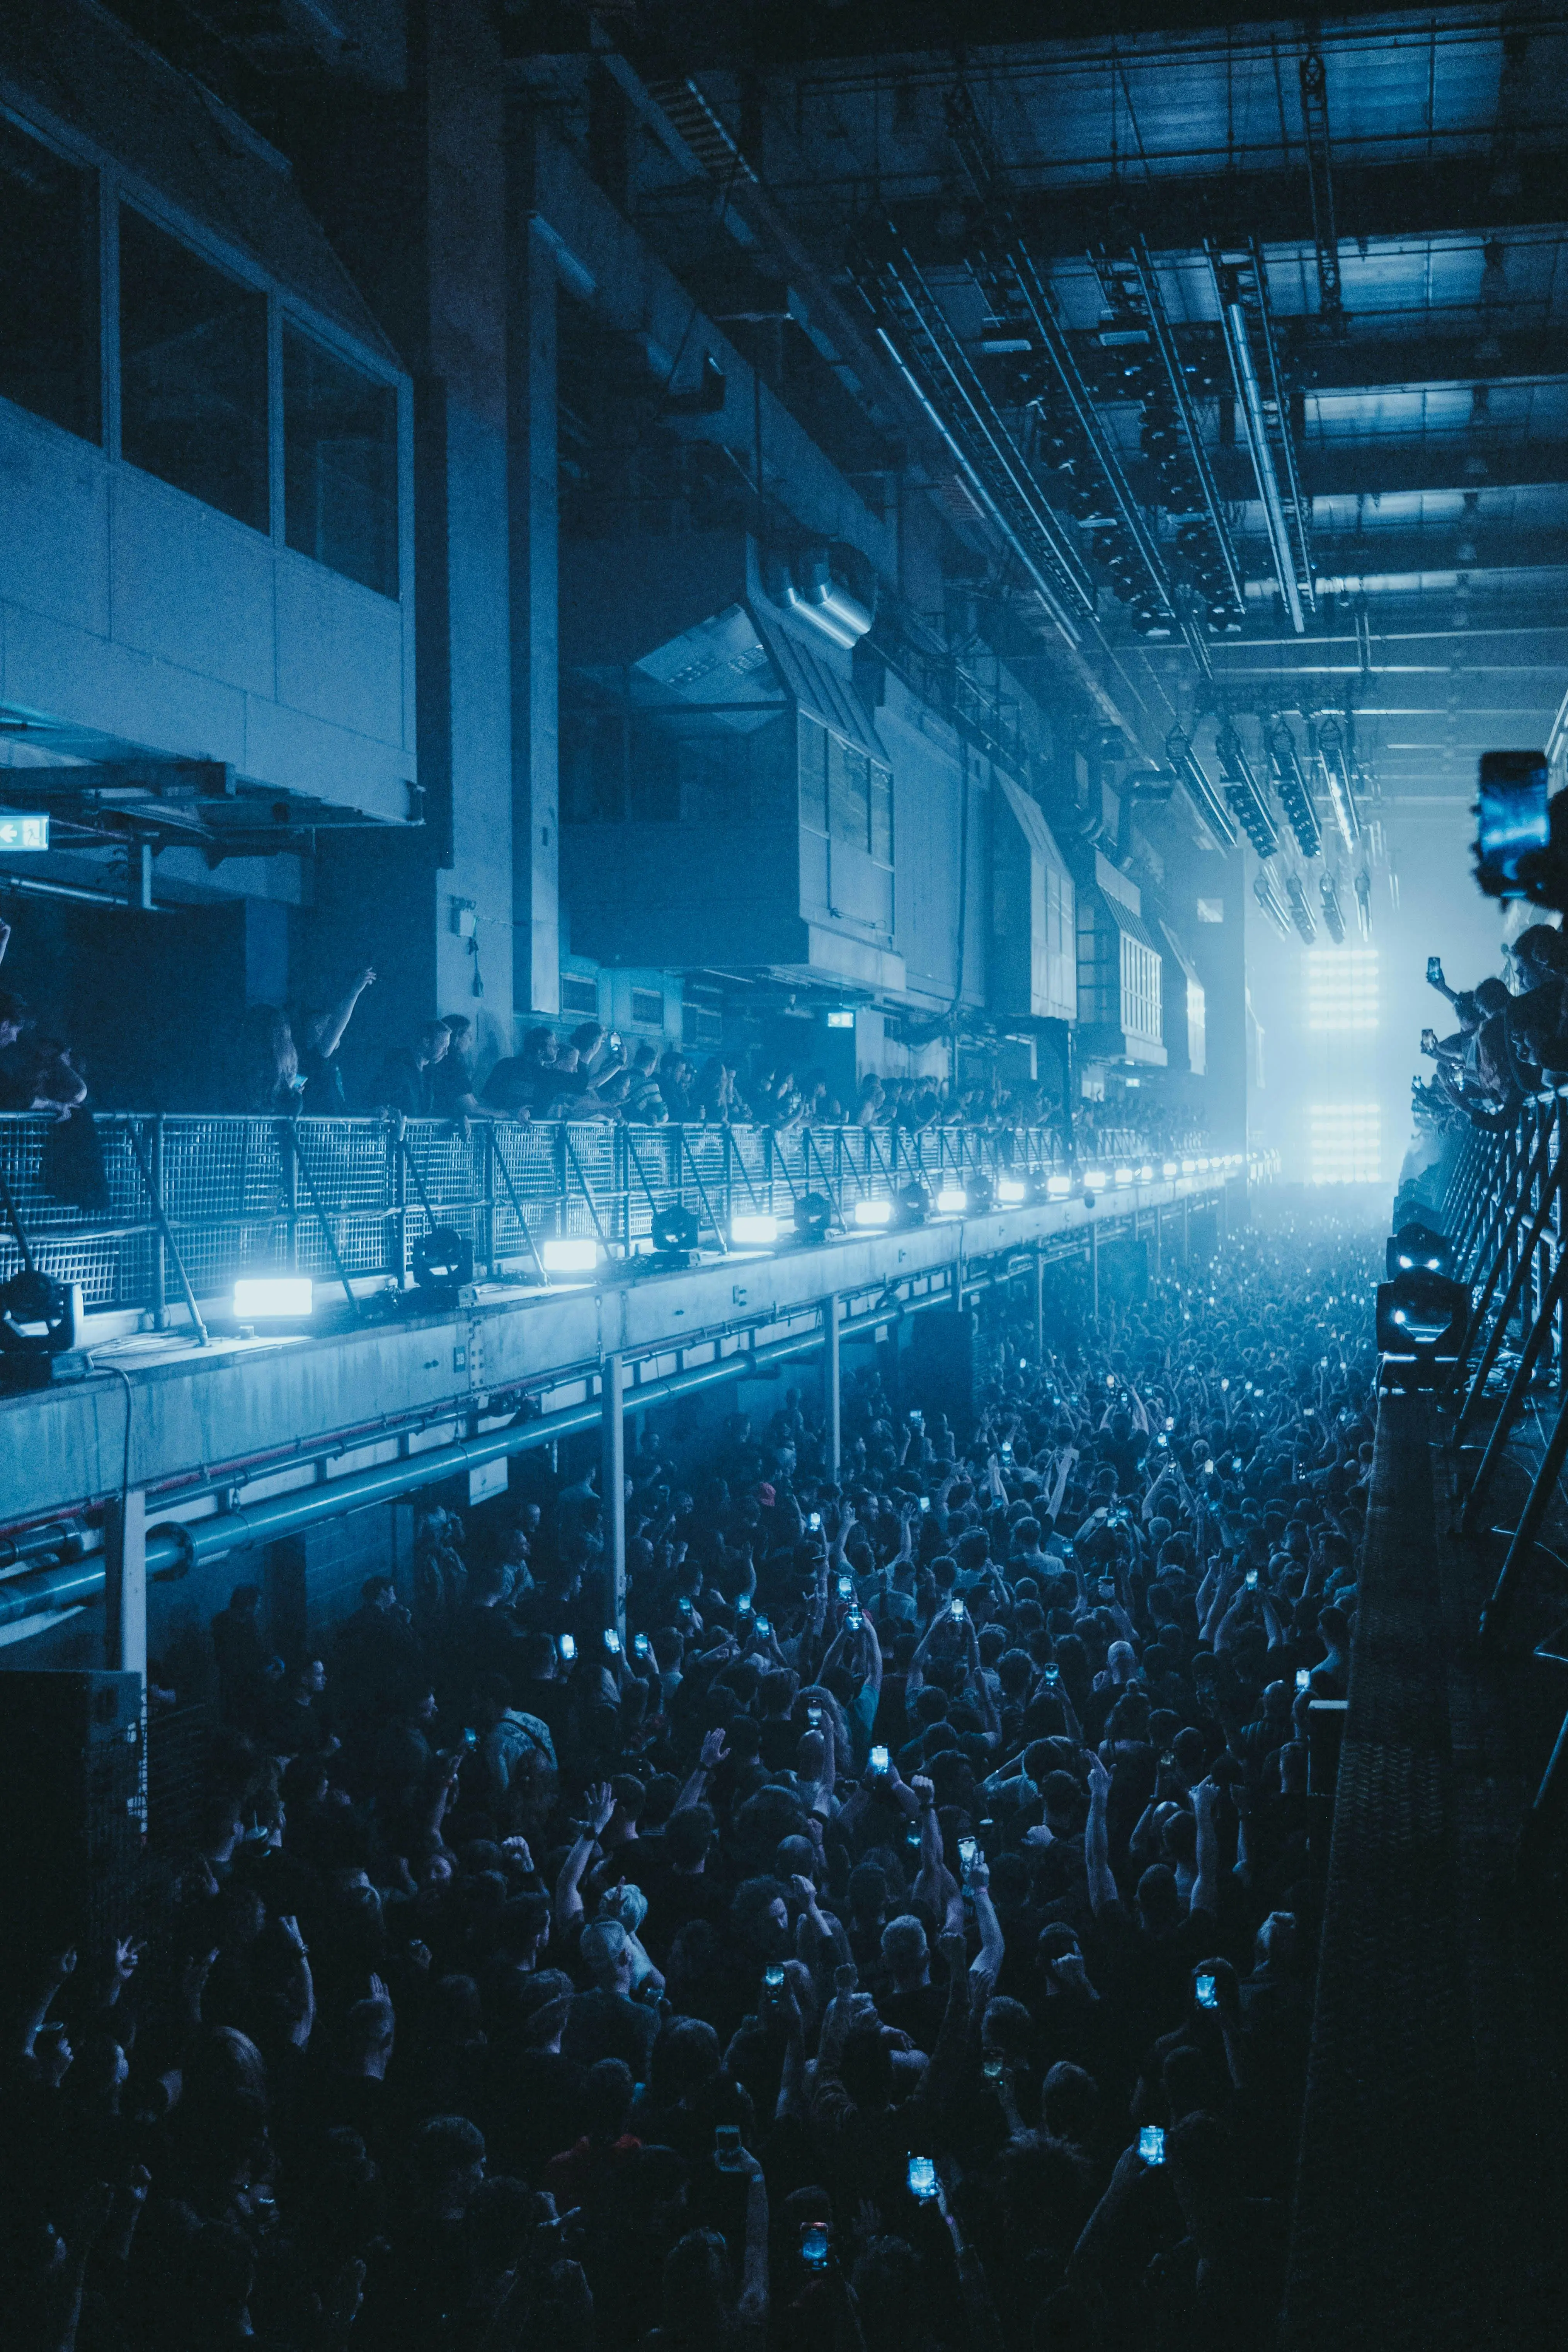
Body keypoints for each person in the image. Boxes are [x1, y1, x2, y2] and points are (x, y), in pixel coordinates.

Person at [295, 967, 375, 1114]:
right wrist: (354, 992)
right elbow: (335, 1026)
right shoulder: (313, 1060)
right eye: (325, 1028)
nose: (337, 1034)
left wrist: (372, 1113)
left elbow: (341, 1110)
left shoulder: (332, 1066)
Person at [373, 1019, 451, 1117]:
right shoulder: (397, 1067)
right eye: (443, 1046)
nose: (446, 1052)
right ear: (426, 1042)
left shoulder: (430, 1073)